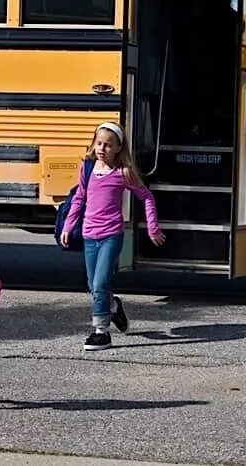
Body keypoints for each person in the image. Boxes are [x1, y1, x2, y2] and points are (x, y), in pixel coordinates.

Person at [60, 122, 166, 351]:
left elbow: (146, 197)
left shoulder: (123, 172)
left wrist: (152, 227)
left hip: (111, 235)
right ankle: (114, 305)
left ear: (118, 148)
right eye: (98, 143)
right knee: (93, 285)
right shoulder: (87, 168)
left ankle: (101, 332)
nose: (102, 148)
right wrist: (68, 226)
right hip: (89, 234)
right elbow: (79, 198)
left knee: (100, 284)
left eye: (108, 145)